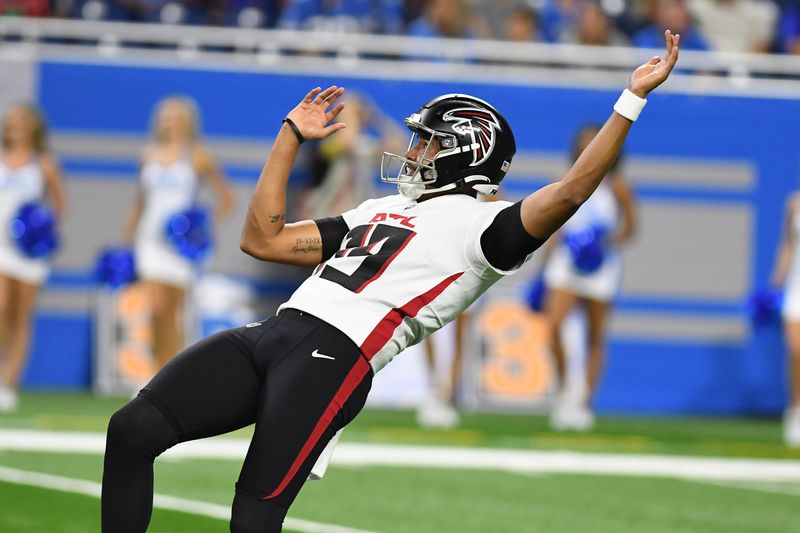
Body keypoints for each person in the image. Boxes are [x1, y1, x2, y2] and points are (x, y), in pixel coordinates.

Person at [101, 31, 680, 532]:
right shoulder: (377, 207)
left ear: (465, 155)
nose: (413, 150)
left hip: (335, 358)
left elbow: (573, 190)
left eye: (428, 141)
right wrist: (288, 139)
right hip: (275, 333)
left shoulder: (486, 230)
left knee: (254, 518)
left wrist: (630, 100)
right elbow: (263, 239)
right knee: (130, 430)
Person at [121, 96, 234, 374]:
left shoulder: (197, 155)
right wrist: (126, 238)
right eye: (164, 117)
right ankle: (155, 374)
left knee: (172, 315)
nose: (169, 123)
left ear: (187, 122)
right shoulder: (148, 155)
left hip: (179, 246)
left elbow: (227, 198)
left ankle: (170, 376)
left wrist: (200, 226)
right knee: (156, 310)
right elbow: (140, 203)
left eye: (175, 117)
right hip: (149, 241)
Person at [542, 123, 637, 431]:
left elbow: (630, 229)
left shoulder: (618, 186)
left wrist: (602, 243)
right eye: (582, 144)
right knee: (553, 327)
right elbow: (552, 225)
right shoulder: (563, 178)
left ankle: (584, 404)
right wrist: (542, 265)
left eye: (594, 143)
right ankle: (564, 391)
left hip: (601, 266)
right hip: (565, 263)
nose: (587, 148)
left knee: (595, 335)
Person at [0, 104, 66, 412]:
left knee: (20, 316)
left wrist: (40, 230)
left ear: (33, 128)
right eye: (11, 122)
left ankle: (10, 383)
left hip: (26, 252)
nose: (15, 127)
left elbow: (59, 204)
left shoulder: (43, 164)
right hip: (0, 247)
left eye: (21, 122)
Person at [771, 191, 800, 447]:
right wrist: (776, 281)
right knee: (796, 350)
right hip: (796, 288)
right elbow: (788, 245)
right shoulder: (793, 203)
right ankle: (795, 411)